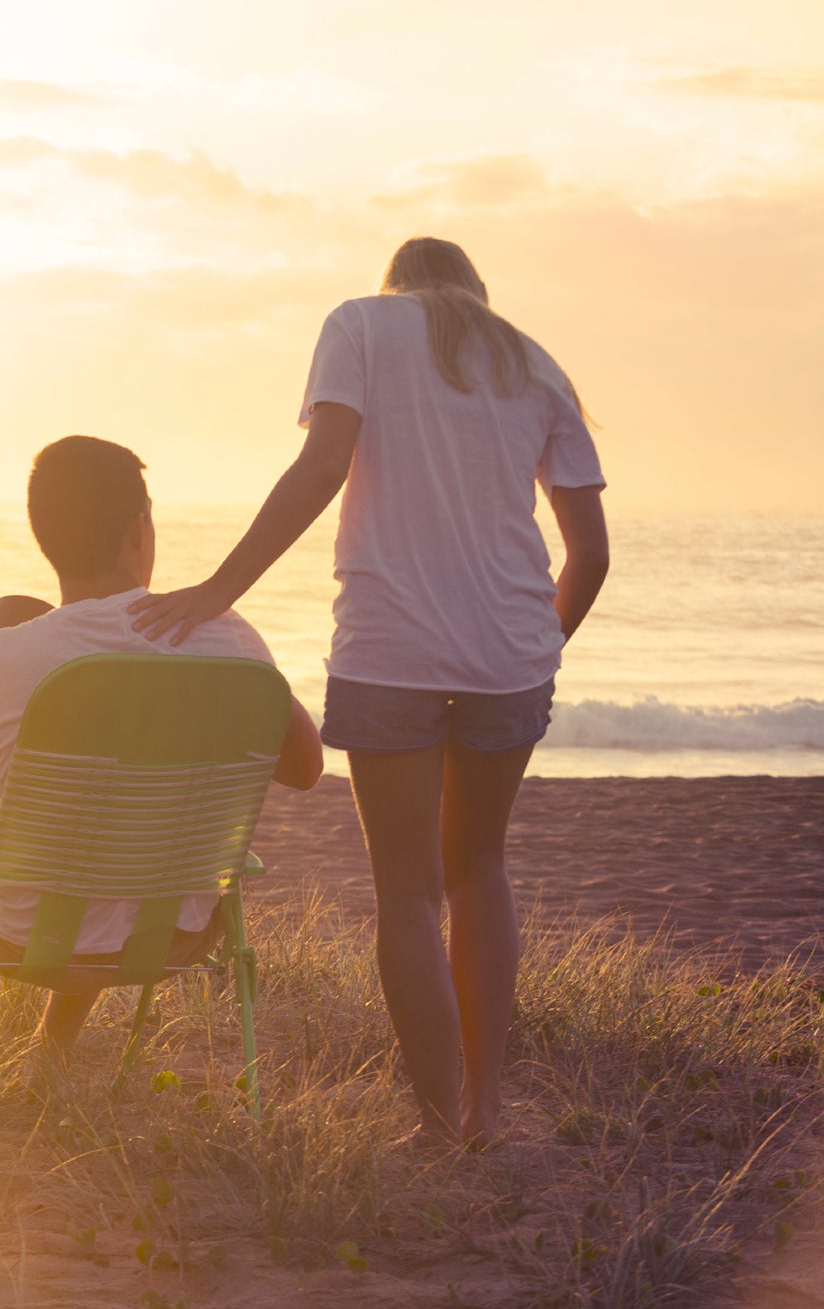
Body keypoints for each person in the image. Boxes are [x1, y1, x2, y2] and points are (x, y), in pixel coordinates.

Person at [131, 237, 609, 1148]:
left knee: (408, 891)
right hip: (511, 655)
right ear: (475, 292)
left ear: (398, 287)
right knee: (480, 867)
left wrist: (218, 590)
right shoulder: (534, 364)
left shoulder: (359, 324)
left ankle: (435, 1125)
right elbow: (590, 552)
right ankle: (485, 1108)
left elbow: (323, 468)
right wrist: (536, 648)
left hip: (392, 649)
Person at [0, 435, 324, 1067]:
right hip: (174, 935)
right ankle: (52, 1055)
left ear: (46, 539)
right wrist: (226, 650)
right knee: (120, 804)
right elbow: (305, 769)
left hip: (17, 935)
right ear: (140, 529)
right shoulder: (232, 641)